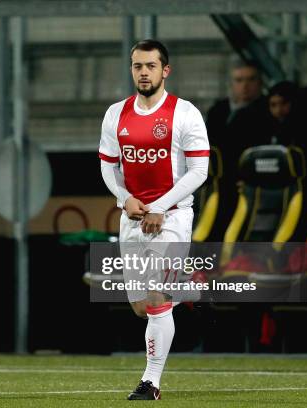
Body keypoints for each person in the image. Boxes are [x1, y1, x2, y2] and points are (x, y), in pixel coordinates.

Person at [98, 40, 209, 400]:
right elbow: (108, 166)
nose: (143, 72)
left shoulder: (185, 113)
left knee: (157, 297)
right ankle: (187, 285)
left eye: (150, 65)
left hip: (173, 217)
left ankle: (151, 382)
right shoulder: (116, 113)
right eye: (137, 66)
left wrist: (160, 207)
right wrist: (124, 198)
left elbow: (199, 171)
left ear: (165, 70)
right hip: (133, 217)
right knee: (140, 307)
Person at [205, 59, 270, 240]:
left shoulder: (266, 111)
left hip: (248, 182)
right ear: (231, 84)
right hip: (218, 182)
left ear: (260, 83)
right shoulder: (219, 110)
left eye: (250, 79)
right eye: (239, 80)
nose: (245, 86)